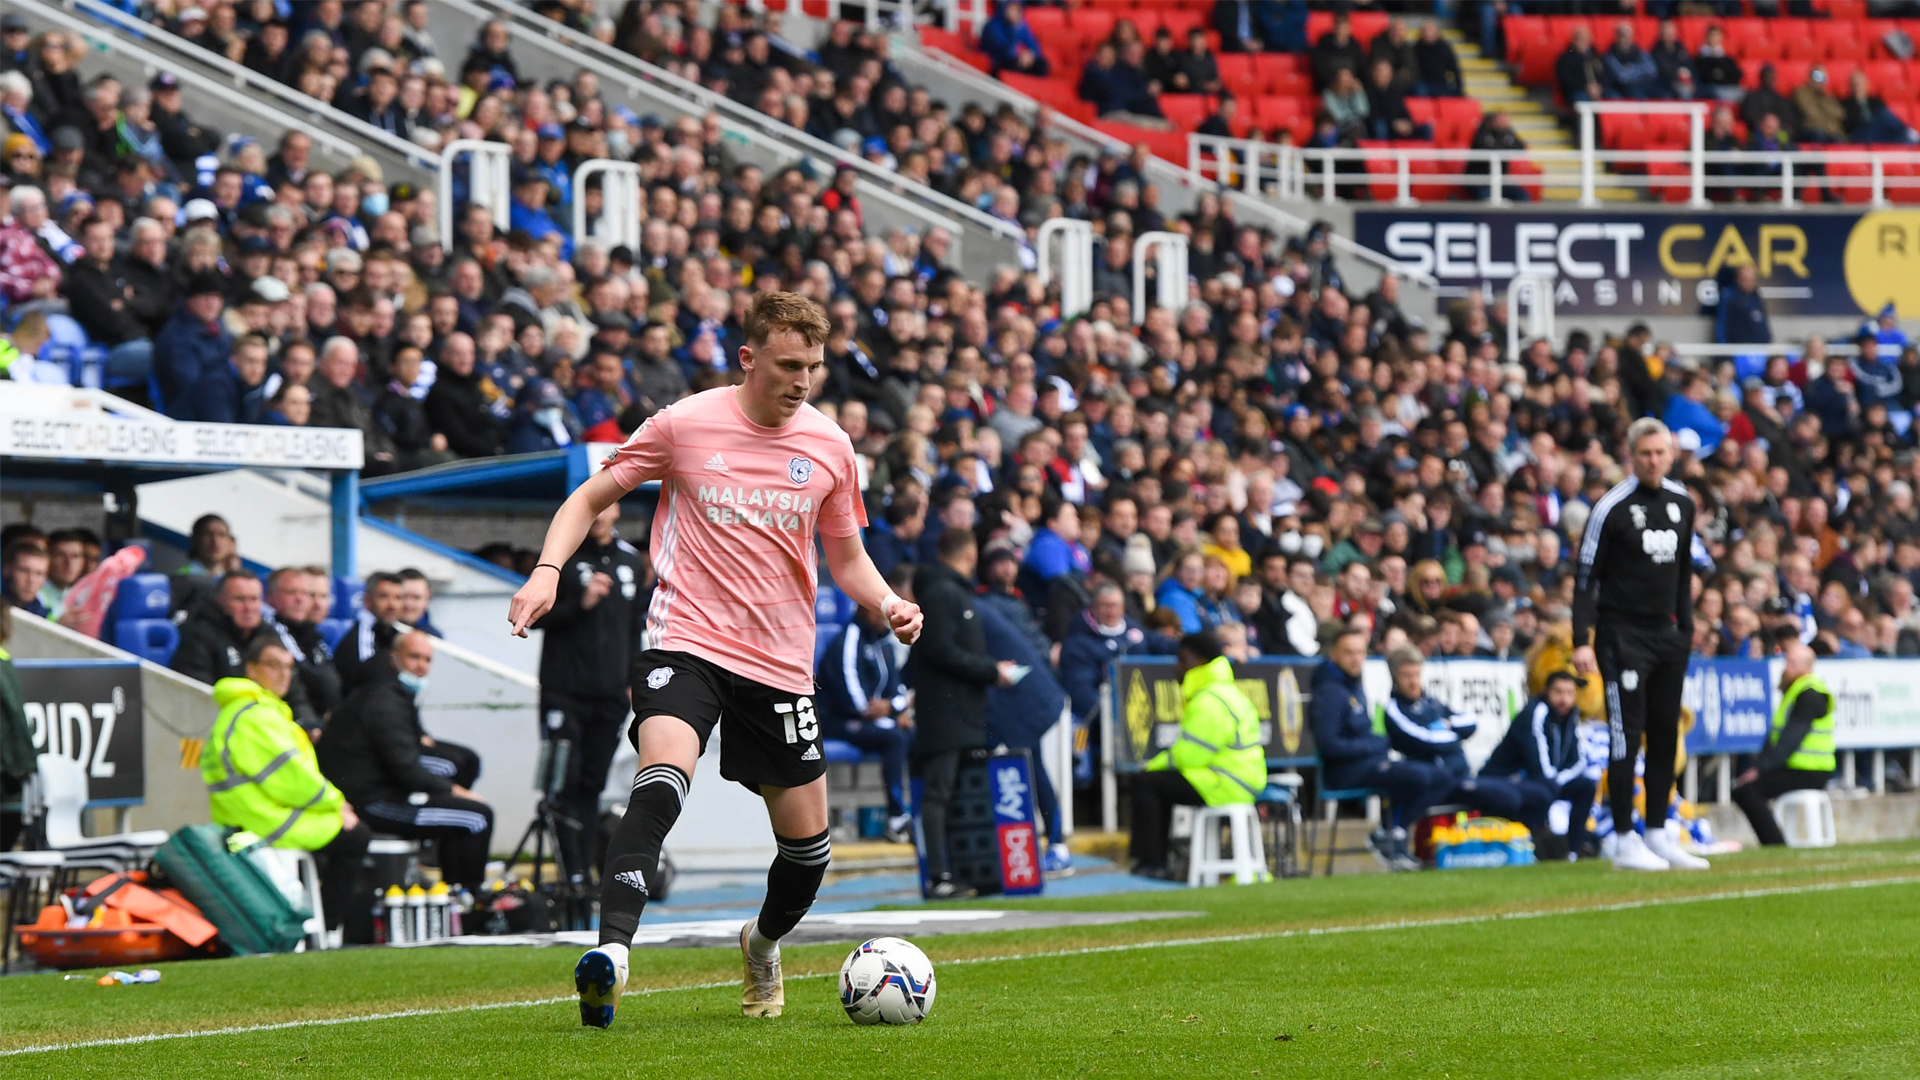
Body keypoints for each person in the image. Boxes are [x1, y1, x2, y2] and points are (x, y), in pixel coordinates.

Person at [506, 292, 923, 1028]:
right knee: (662, 777)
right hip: (685, 640)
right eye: (790, 364)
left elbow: (848, 557)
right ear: (748, 357)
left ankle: (760, 946)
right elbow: (588, 497)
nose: (803, 380)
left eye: (815, 367)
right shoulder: (685, 424)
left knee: (808, 857)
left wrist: (887, 603)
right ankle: (612, 957)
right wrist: (548, 570)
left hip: (780, 663)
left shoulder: (829, 446)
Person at [1573, 418, 1706, 872]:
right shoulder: (1611, 507)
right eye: (1645, 453)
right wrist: (1581, 639)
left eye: (1660, 453)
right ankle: (1623, 836)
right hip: (1621, 637)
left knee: (1666, 733)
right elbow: (1585, 578)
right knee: (1625, 736)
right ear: (1631, 455)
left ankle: (1657, 831)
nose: (1653, 460)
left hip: (1668, 637)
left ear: (1671, 455)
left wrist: (1685, 631)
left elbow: (1686, 573)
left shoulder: (1682, 504)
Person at [203, 638, 370, 944]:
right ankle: (327, 929)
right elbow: (293, 780)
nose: (282, 675)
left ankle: (316, 922)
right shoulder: (256, 716)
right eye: (273, 665)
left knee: (344, 839)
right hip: (266, 820)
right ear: (251, 670)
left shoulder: (252, 710)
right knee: (356, 836)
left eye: (288, 667)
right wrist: (335, 803)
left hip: (255, 814)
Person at [317, 630, 494, 892]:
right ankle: (466, 898)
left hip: (381, 786)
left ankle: (453, 890)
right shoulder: (384, 700)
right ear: (394, 657)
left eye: (427, 659)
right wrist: (457, 792)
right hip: (370, 801)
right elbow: (406, 769)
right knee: (476, 817)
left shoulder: (389, 691)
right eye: (414, 657)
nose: (421, 666)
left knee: (456, 768)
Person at [529, 502, 646, 885]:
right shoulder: (558, 555)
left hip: (611, 693)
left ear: (616, 511)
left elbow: (634, 628)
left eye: (606, 506)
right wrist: (580, 604)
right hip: (564, 690)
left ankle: (588, 874)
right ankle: (571, 874)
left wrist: (633, 679)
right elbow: (536, 617)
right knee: (563, 782)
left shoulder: (630, 561)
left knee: (593, 783)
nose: (598, 515)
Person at [908, 527, 1015, 899]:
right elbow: (939, 650)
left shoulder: (952, 592)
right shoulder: (941, 593)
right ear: (970, 554)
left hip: (962, 713)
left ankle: (963, 872)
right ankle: (939, 877)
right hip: (945, 714)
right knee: (938, 793)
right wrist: (990, 670)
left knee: (955, 796)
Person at [1308, 628, 1454, 871]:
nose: (1356, 658)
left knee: (1442, 776)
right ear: (1333, 655)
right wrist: (1375, 744)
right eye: (1348, 653)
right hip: (1343, 773)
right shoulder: (1329, 692)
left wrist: (1376, 745)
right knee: (1416, 777)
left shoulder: (1353, 685)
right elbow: (1329, 746)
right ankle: (1390, 837)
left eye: (1360, 652)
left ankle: (1390, 833)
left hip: (1368, 764)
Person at [1129, 629, 1264, 880]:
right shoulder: (1225, 691)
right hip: (1241, 778)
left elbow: (1190, 756)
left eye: (1181, 660)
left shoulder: (1209, 700)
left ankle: (1152, 863)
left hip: (1226, 782)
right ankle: (1158, 859)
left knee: (1146, 783)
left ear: (1196, 660)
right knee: (1159, 784)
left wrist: (1151, 765)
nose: (1177, 667)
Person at [172, 572, 320, 731]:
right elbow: (199, 694)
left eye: (254, 599)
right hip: (222, 728)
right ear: (220, 601)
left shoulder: (268, 634)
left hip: (267, 726)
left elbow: (293, 688)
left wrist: (306, 721)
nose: (248, 607)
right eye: (240, 599)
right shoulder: (199, 635)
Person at [817, 601, 914, 844]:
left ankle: (916, 811)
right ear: (861, 608)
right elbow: (854, 700)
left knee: (912, 732)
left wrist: (893, 709)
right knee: (894, 737)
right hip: (840, 721)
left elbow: (899, 690)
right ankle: (896, 819)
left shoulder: (883, 642)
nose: (883, 616)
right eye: (877, 609)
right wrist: (889, 714)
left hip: (876, 721)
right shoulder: (847, 640)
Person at [1483, 669, 1599, 858]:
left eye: (1569, 693)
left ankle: (1572, 851)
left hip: (1548, 780)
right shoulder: (1535, 713)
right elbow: (1538, 764)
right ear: (1547, 692)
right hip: (1510, 778)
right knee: (1544, 789)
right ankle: (1535, 847)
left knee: (1586, 786)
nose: (1564, 699)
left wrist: (1558, 779)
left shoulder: (1571, 717)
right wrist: (1554, 780)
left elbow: (1578, 761)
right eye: (1558, 692)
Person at [1732, 643, 1836, 847]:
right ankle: (1775, 842)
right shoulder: (1797, 691)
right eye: (1787, 662)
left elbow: (1790, 740)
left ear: (1807, 666)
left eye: (1793, 664)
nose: (1787, 668)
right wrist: (1758, 768)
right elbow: (1775, 739)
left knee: (1748, 792)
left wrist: (1760, 769)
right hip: (1802, 768)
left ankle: (1775, 844)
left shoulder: (1809, 694)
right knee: (1745, 789)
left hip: (1810, 770)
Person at [335, 570, 401, 695]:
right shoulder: (360, 637)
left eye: (398, 597)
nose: (392, 605)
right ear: (367, 600)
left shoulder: (394, 633)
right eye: (384, 596)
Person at [978, 1, 1048, 78]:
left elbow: (1033, 45)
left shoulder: (1021, 25)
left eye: (1017, 10)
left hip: (1017, 59)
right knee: (1012, 65)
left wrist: (1030, 54)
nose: (1015, 13)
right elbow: (1003, 50)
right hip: (998, 62)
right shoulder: (992, 25)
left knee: (1041, 65)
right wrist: (1014, 31)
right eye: (1012, 9)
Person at [2, 541, 47, 618]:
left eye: (39, 574)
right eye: (24, 571)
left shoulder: (39, 609)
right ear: (7, 570)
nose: (31, 580)